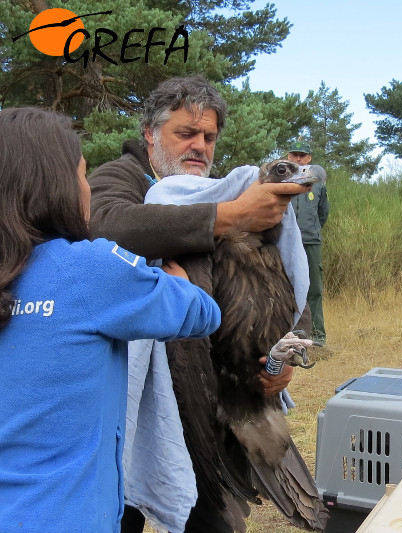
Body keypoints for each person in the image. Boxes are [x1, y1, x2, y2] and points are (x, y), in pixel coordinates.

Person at [88, 76, 311, 533]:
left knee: (212, 521)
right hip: (133, 401)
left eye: (208, 136)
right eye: (185, 133)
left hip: (215, 395)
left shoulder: (224, 186)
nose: (199, 147)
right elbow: (104, 225)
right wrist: (230, 216)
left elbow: (281, 272)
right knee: (121, 514)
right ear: (150, 134)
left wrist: (282, 356)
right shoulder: (121, 177)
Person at [0, 107, 221, 532]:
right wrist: (184, 283)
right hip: (66, 516)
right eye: (83, 174)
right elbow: (201, 314)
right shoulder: (90, 270)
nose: (88, 187)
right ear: (55, 187)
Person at [287, 140, 329, 345]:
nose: (298, 158)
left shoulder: (318, 182)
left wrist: (311, 229)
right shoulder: (283, 180)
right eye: (294, 155)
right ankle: (292, 335)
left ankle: (318, 335)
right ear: (288, 157)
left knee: (315, 289)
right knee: (288, 288)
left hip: (311, 242)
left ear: (309, 158)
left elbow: (323, 213)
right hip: (287, 243)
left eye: (302, 155)